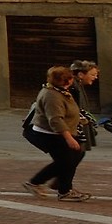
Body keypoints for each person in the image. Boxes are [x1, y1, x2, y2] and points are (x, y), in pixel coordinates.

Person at [23, 64, 90, 200]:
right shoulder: (52, 95)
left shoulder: (60, 90)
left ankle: (59, 184)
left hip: (59, 132)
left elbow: (67, 111)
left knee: (76, 155)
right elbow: (55, 120)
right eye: (70, 78)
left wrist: (79, 119)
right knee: (66, 161)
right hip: (48, 134)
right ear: (67, 80)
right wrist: (68, 138)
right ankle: (58, 189)